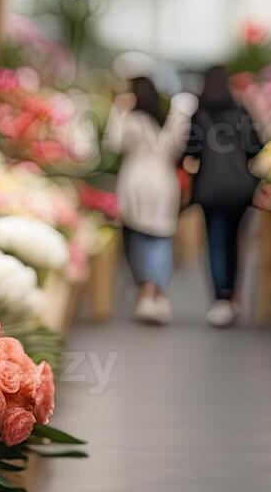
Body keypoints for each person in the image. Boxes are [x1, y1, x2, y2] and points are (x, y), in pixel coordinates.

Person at [106, 76, 197, 325]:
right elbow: (180, 148)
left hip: (136, 180)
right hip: (164, 181)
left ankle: (145, 292)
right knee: (161, 238)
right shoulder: (167, 123)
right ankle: (157, 294)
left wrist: (119, 110)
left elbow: (114, 143)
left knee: (139, 236)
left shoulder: (133, 119)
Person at [184, 65, 263, 327]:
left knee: (216, 241)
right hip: (241, 188)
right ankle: (232, 297)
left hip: (210, 188)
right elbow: (256, 148)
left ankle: (221, 298)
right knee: (234, 242)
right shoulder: (240, 112)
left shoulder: (200, 115)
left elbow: (191, 151)